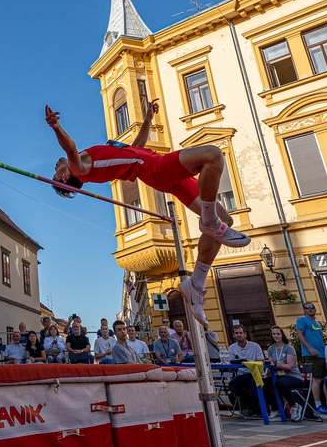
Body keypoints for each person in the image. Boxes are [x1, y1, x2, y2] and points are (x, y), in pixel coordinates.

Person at [46, 100, 250, 326]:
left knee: (227, 220)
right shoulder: (79, 168)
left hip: (156, 167)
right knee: (212, 155)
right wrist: (56, 127)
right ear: (64, 178)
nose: (55, 168)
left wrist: (147, 120)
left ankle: (196, 285)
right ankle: (209, 221)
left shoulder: (91, 156)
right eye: (55, 173)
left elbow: (137, 146)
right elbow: (70, 148)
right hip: (154, 169)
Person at [294, 302, 327, 415]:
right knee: (316, 379)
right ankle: (317, 404)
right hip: (311, 354)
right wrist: (310, 348)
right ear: (304, 310)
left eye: (312, 307)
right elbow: (300, 335)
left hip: (322, 354)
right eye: (307, 308)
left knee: (326, 379)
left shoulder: (316, 323)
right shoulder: (302, 320)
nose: (310, 309)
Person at [266, 326, 309, 420]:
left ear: (282, 335)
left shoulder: (289, 348)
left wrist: (276, 364)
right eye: (273, 334)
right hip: (278, 376)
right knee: (265, 382)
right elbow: (271, 364)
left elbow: (289, 366)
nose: (276, 336)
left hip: (294, 377)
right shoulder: (270, 349)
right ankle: (275, 409)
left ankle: (294, 405)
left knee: (280, 383)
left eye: (278, 333)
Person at [227, 325, 266, 416]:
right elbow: (231, 364)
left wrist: (249, 363)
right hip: (241, 375)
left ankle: (257, 409)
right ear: (233, 335)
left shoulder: (255, 346)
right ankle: (247, 407)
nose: (239, 335)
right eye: (236, 333)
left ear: (245, 334)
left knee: (250, 381)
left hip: (255, 374)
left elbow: (261, 361)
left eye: (241, 333)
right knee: (232, 385)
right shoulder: (232, 348)